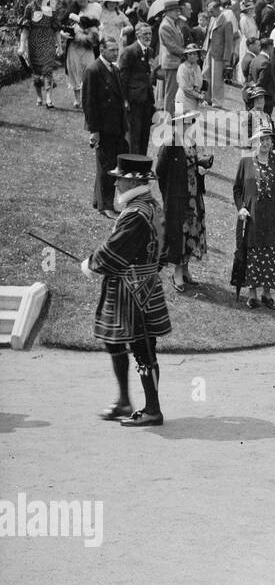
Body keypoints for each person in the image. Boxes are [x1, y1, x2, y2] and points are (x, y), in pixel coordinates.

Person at [80, 154, 171, 427]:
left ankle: (152, 409)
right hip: (141, 286)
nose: (116, 183)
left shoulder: (136, 214)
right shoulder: (151, 206)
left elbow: (115, 249)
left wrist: (91, 263)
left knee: (142, 349)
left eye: (119, 178)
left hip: (131, 290)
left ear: (133, 181)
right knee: (115, 341)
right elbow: (164, 249)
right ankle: (124, 401)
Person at [232, 126, 275, 308]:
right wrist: (241, 208)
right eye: (261, 138)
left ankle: (267, 294)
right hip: (252, 218)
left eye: (268, 139)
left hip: (272, 218)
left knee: (270, 252)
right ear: (254, 141)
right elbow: (237, 189)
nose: (265, 142)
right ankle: (252, 295)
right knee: (253, 252)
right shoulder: (245, 162)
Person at [154, 114, 210, 290]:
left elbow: (193, 166)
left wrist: (200, 171)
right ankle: (177, 272)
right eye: (185, 124)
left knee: (193, 230)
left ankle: (185, 269)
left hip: (193, 195)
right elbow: (160, 170)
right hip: (177, 196)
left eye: (191, 124)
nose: (188, 127)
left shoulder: (192, 143)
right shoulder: (170, 143)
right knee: (180, 233)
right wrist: (168, 194)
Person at [83, 34, 127, 216]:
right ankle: (106, 206)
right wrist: (94, 130)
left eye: (117, 50)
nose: (116, 53)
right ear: (102, 50)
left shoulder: (114, 69)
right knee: (106, 166)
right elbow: (88, 103)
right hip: (103, 127)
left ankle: (98, 200)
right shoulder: (94, 70)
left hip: (116, 126)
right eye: (112, 50)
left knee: (109, 164)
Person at [18, 0, 61, 108]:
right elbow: (25, 29)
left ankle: (48, 98)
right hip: (34, 41)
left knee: (48, 69)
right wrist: (22, 46)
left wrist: (59, 46)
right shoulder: (29, 7)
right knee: (36, 71)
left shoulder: (51, 7)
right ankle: (39, 96)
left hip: (48, 40)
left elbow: (56, 28)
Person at [117, 24, 154, 154]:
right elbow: (123, 77)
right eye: (145, 34)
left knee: (144, 133)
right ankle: (133, 165)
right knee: (134, 134)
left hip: (146, 98)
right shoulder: (130, 51)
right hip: (134, 99)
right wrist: (125, 99)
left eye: (150, 33)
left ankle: (142, 164)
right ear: (137, 35)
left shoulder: (149, 51)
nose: (148, 36)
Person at [157, 4, 188, 118]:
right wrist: (185, 52)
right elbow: (171, 45)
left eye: (178, 10)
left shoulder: (173, 24)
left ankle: (176, 115)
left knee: (178, 92)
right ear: (168, 11)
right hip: (171, 63)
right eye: (175, 11)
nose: (178, 13)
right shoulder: (165, 25)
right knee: (171, 92)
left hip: (176, 61)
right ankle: (168, 116)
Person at [65, 13, 99, 110]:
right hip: (74, 49)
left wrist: (79, 33)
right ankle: (77, 99)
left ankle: (87, 99)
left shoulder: (92, 29)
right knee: (74, 71)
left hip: (87, 51)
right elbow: (62, 28)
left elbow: (93, 40)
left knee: (89, 73)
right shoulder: (71, 25)